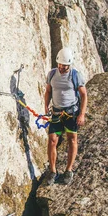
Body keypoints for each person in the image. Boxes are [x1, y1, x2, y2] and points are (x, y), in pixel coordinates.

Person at [43, 48, 87, 185]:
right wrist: (45, 105)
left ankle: (68, 170)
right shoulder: (52, 74)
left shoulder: (75, 75)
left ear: (70, 64)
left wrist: (82, 114)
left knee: (71, 139)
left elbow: (84, 95)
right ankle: (53, 171)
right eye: (60, 65)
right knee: (52, 141)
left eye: (64, 65)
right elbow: (48, 91)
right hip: (56, 113)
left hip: (71, 113)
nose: (61, 67)